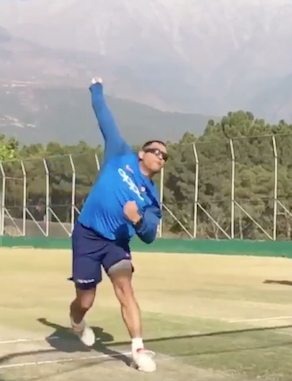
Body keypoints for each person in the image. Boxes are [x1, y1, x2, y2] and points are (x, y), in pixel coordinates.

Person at [67, 78, 167, 373]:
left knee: (125, 289)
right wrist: (96, 89)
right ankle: (76, 321)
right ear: (142, 153)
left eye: (164, 156)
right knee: (85, 299)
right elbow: (104, 118)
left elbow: (149, 235)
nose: (160, 157)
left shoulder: (151, 197)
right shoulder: (119, 154)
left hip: (116, 244)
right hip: (86, 235)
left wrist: (136, 218)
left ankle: (138, 349)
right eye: (155, 151)